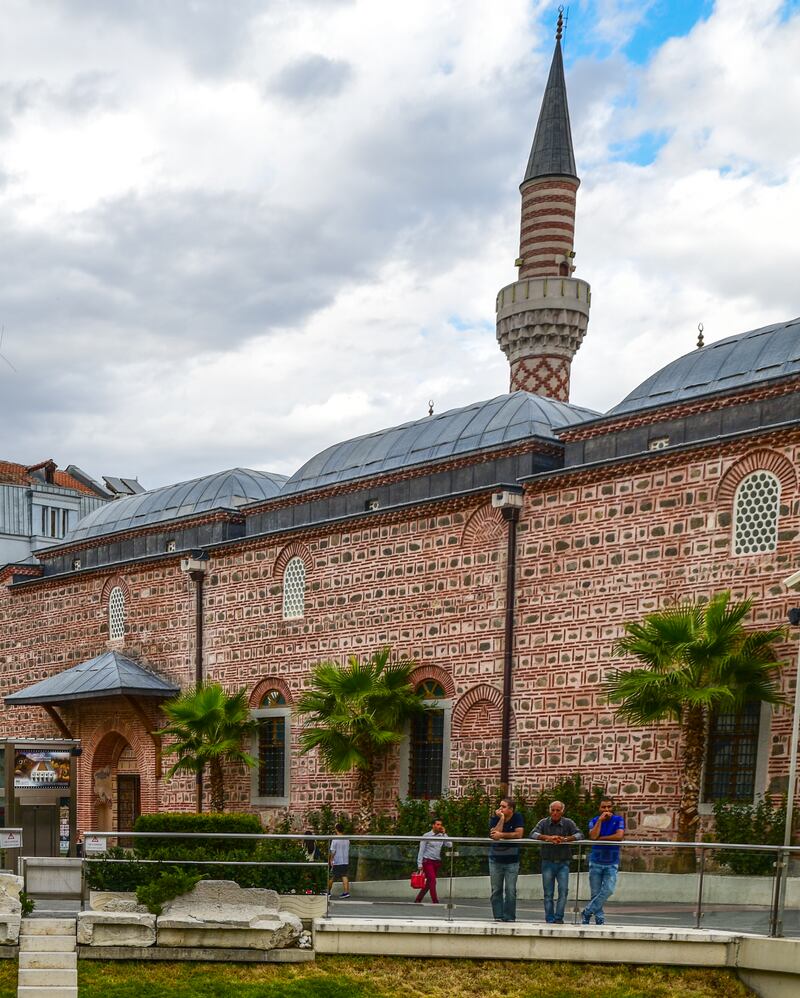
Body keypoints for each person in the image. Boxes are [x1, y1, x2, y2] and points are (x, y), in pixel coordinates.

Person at [530, 800, 581, 924]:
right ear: (549, 811)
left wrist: (566, 839)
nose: (555, 813)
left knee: (563, 891)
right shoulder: (543, 822)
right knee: (548, 893)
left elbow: (580, 834)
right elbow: (533, 834)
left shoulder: (568, 823)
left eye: (558, 810)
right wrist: (548, 838)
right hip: (547, 862)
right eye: (553, 810)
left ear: (562, 811)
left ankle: (559, 918)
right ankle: (549, 918)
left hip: (563, 862)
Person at [582, 797, 625, 925]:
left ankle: (587, 911)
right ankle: (599, 918)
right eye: (603, 807)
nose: (606, 810)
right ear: (599, 808)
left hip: (611, 861)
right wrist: (600, 821)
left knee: (609, 889)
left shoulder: (618, 820)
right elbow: (593, 836)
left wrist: (602, 838)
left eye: (609, 807)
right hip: (596, 860)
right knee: (595, 893)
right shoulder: (594, 821)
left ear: (612, 808)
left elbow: (619, 836)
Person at [489, 797, 524, 922]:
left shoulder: (517, 817)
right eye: (500, 806)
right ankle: (498, 916)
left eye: (503, 807)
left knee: (510, 890)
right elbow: (494, 835)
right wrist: (502, 818)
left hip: (512, 860)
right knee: (496, 890)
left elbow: (519, 834)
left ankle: (509, 917)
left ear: (511, 809)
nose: (500, 809)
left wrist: (502, 835)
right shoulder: (495, 818)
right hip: (495, 859)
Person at [415, 816, 452, 904]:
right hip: (427, 861)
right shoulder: (426, 835)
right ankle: (435, 901)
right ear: (433, 825)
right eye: (438, 824)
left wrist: (444, 834)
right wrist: (419, 864)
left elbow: (450, 845)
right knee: (433, 880)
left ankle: (418, 899)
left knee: (429, 883)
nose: (439, 826)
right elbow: (421, 850)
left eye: (441, 825)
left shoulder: (441, 835)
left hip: (436, 861)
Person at [328, 823, 351, 899]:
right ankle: (346, 892)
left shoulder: (335, 839)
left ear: (336, 829)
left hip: (337, 860)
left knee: (332, 876)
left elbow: (333, 851)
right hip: (345, 860)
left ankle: (328, 892)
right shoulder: (347, 839)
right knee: (344, 875)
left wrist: (331, 859)